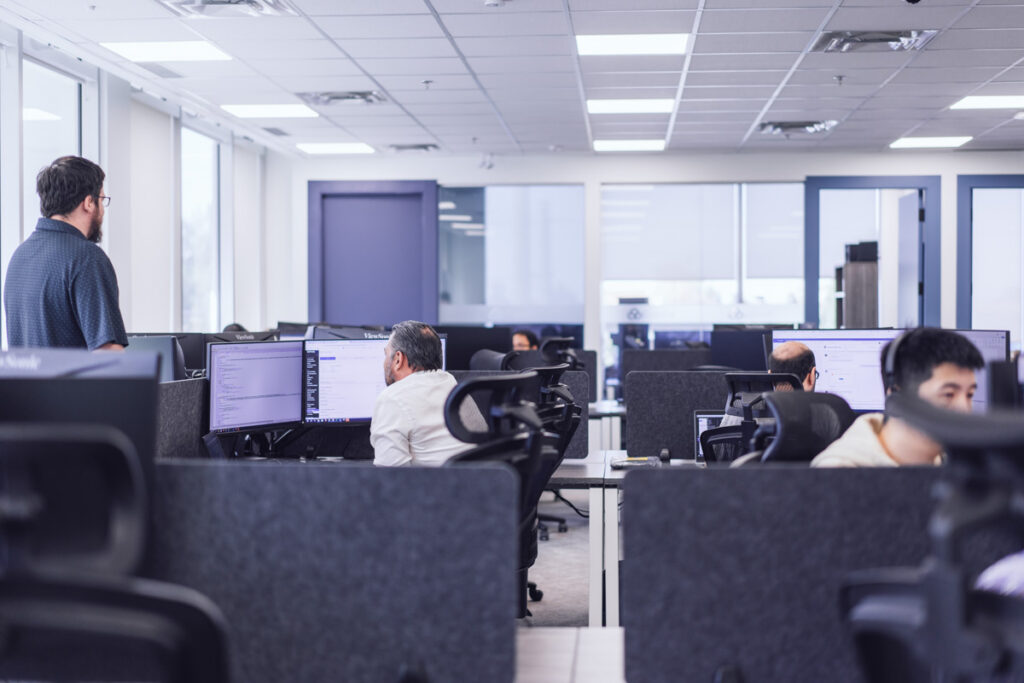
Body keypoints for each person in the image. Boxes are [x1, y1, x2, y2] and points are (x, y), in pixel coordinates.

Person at [811, 328, 983, 468]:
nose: (965, 408)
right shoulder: (841, 471)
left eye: (969, 395)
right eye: (948, 394)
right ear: (898, 398)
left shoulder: (952, 467)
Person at [4, 156, 127, 351]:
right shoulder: (87, 258)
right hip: (73, 383)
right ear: (88, 202)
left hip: (26, 383)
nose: (103, 209)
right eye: (102, 199)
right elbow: (108, 353)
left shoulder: (19, 257)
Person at [371, 320, 483, 467]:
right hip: (480, 484)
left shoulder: (392, 398)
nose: (385, 361)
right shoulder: (454, 386)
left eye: (386, 354)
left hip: (439, 488)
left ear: (398, 359)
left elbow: (390, 478)